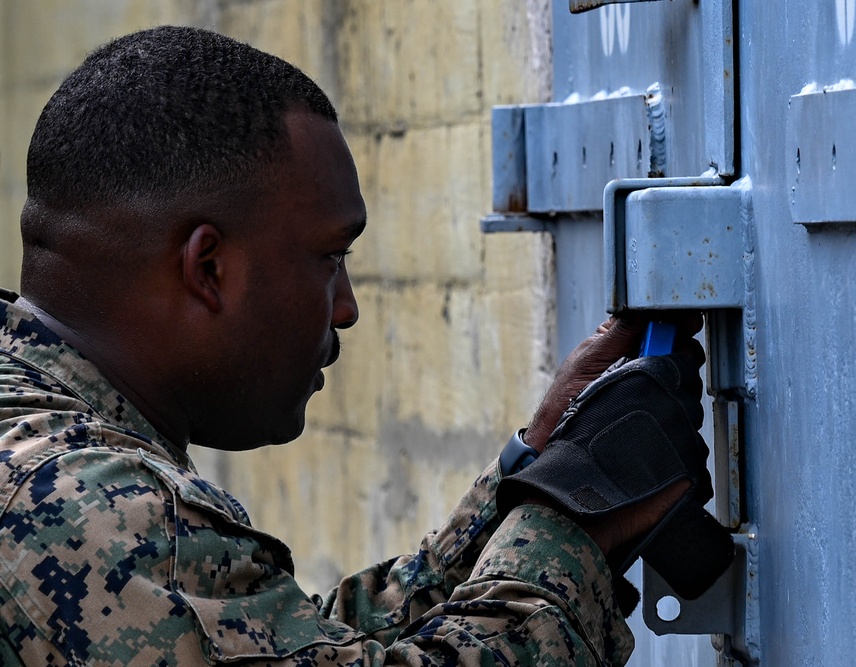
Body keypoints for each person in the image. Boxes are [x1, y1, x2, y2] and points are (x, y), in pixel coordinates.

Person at [0, 26, 719, 665]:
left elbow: (289, 646)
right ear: (208, 267)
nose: (344, 308)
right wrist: (576, 520)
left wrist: (530, 473)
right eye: (329, 257)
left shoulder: (30, 436)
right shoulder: (94, 507)